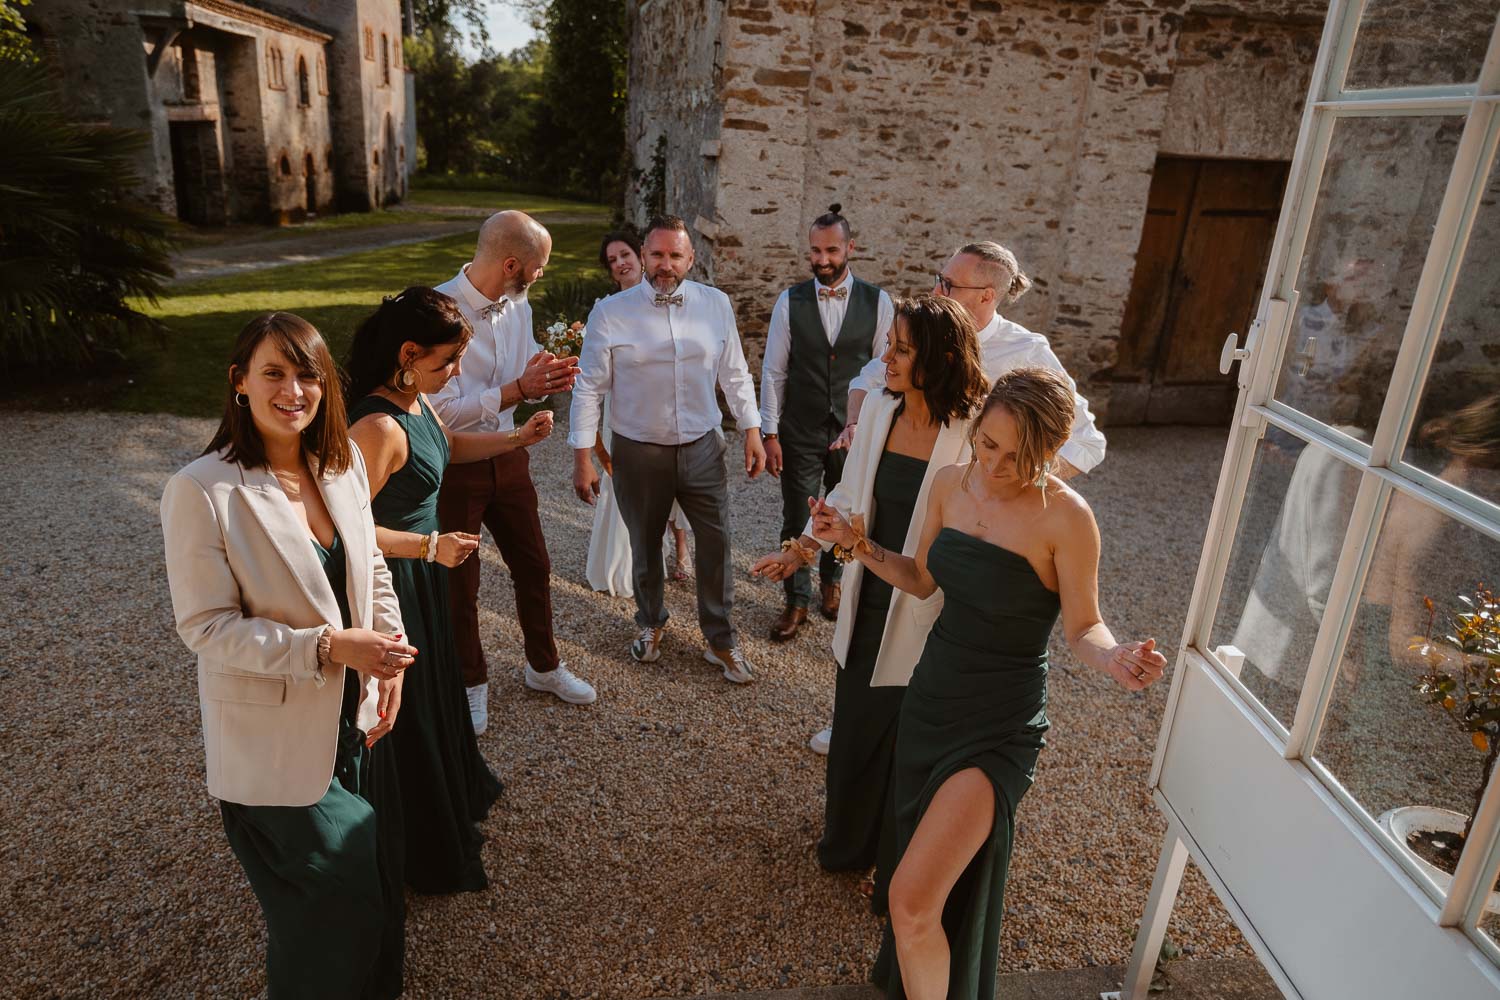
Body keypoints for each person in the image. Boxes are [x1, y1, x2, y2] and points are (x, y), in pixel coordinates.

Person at [811, 367, 1166, 999]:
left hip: (998, 723)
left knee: (911, 901)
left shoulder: (1068, 519)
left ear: (1052, 451)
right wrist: (854, 542)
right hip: (928, 703)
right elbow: (922, 580)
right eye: (989, 444)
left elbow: (1086, 627)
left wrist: (1116, 660)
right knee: (921, 898)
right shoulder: (951, 483)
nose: (997, 464)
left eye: (1018, 454)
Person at [161, 312, 416, 999]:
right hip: (272, 741)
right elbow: (206, 626)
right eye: (273, 372)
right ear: (239, 383)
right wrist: (330, 647)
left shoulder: (342, 463)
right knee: (332, 911)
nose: (293, 389)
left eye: (308, 373)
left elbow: (372, 568)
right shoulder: (201, 490)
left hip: (355, 723)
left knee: (373, 900)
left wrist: (386, 659)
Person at [809, 240, 1107, 754]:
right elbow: (867, 379)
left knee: (924, 636)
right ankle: (857, 723)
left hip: (956, 520)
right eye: (939, 278)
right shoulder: (920, 334)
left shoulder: (1028, 354)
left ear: (988, 296)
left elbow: (1087, 441)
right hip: (896, 495)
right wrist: (861, 422)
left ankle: (902, 741)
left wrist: (1004, 483)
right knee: (867, 612)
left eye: (949, 285)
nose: (936, 289)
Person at [752, 294, 987, 914]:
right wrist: (801, 550)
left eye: (901, 349)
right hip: (868, 594)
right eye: (890, 344)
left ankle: (903, 868)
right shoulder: (881, 411)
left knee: (913, 743)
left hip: (934, 611)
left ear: (936, 359)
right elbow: (849, 495)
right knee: (857, 732)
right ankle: (848, 845)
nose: (885, 358)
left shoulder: (973, 433)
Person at [346, 288, 554, 893]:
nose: (456, 373)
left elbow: (450, 447)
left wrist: (517, 440)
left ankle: (448, 788)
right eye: (447, 363)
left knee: (435, 693)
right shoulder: (376, 427)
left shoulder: (415, 399)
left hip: (425, 574)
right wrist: (429, 548)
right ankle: (408, 832)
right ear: (408, 353)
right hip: (397, 580)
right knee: (403, 712)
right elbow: (345, 530)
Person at [570, 214, 767, 682]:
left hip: (703, 445)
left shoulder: (715, 305)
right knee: (644, 543)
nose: (664, 264)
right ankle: (651, 622)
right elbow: (588, 388)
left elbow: (735, 373)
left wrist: (753, 429)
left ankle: (721, 639)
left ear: (690, 258)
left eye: (674, 255)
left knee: (716, 542)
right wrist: (583, 456)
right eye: (656, 254)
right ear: (643, 255)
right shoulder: (612, 312)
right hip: (637, 450)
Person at [432, 210, 597, 736]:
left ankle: (543, 666)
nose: (540, 275)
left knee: (534, 565)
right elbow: (438, 413)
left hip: (512, 453)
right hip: (458, 462)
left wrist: (544, 376)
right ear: (510, 264)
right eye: (538, 266)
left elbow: (524, 368)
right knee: (461, 581)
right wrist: (515, 393)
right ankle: (470, 681)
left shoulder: (518, 304)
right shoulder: (436, 310)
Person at [759, 204, 894, 642]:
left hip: (852, 431)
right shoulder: (789, 301)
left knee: (844, 510)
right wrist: (770, 432)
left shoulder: (879, 302)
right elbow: (774, 371)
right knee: (797, 510)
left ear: (850, 248)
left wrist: (870, 429)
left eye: (831, 250)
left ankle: (831, 584)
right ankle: (795, 600)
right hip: (799, 427)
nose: (822, 260)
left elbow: (883, 371)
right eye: (815, 251)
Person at [586, 230, 694, 595]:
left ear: (642, 255)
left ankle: (680, 549)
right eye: (612, 260)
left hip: (670, 406)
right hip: (624, 407)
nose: (620, 263)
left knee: (677, 481)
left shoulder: (672, 297)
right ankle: (626, 561)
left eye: (625, 254)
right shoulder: (605, 309)